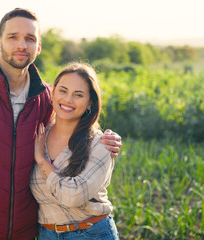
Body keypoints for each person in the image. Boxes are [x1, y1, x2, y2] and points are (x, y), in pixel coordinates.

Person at [0, 8, 122, 240]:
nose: (21, 45)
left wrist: (107, 139)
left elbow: (74, 127)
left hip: (24, 234)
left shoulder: (48, 98)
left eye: (30, 39)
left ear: (38, 47)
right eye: (12, 37)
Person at [30, 62, 119, 239]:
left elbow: (72, 197)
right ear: (53, 92)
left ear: (89, 103)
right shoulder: (38, 134)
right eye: (63, 91)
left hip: (91, 233)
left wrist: (41, 160)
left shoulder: (100, 145)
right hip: (46, 233)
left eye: (78, 95)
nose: (68, 99)